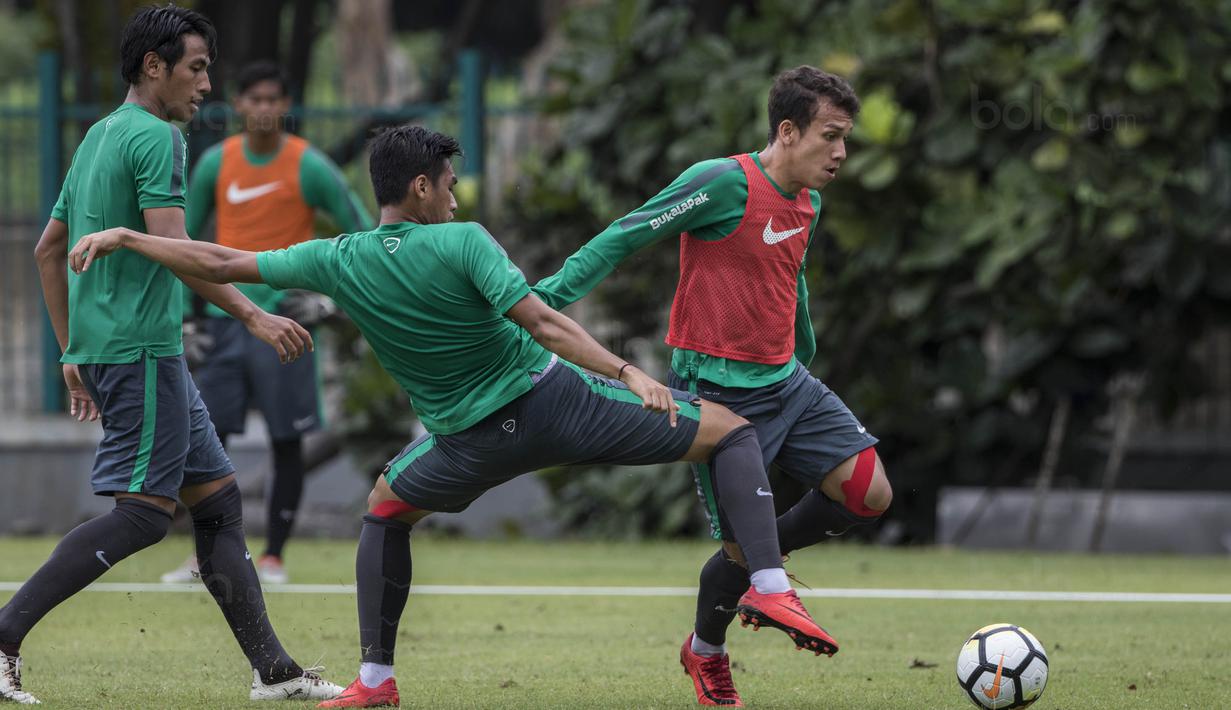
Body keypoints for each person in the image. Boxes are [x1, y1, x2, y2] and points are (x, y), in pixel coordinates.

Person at [68, 125, 836, 709]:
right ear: (425, 188)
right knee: (729, 432)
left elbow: (221, 263)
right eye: (450, 184)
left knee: (384, 512)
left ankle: (374, 680)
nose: (457, 197)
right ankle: (765, 582)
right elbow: (543, 324)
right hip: (556, 404)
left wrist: (129, 236)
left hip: (467, 445)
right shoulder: (464, 241)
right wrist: (630, 371)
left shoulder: (340, 258)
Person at [2, 6, 343, 704]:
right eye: (195, 67)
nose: (206, 84)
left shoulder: (98, 135)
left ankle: (273, 672)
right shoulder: (158, 138)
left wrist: (72, 347)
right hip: (143, 352)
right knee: (144, 515)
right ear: (152, 67)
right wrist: (251, 313)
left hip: (121, 350)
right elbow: (181, 253)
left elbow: (47, 250)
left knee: (215, 506)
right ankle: (2, 636)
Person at [531, 66, 894, 707]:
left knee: (869, 493)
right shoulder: (722, 183)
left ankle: (761, 563)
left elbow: (792, 279)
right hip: (716, 393)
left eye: (846, 139)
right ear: (787, 130)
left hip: (788, 383)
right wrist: (539, 305)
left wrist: (801, 353)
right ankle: (708, 649)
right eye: (830, 136)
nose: (841, 153)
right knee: (739, 553)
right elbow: (625, 236)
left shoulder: (809, 200)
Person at [160, 60, 374, 586]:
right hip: (223, 320)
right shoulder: (216, 162)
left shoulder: (310, 166)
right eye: (252, 99)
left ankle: (274, 557)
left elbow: (363, 235)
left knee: (286, 440)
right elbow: (177, 239)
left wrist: (329, 304)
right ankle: (205, 558)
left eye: (272, 99)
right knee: (209, 439)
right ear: (237, 105)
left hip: (284, 323)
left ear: (286, 106)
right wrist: (186, 320)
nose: (262, 109)